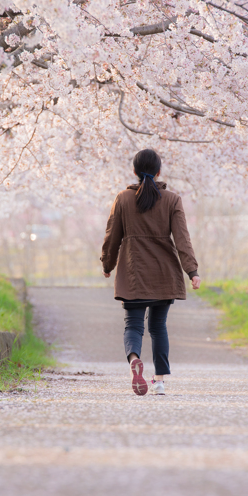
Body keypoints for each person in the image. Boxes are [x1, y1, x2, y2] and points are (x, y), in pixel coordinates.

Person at [101, 149, 201, 396]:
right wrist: (192, 271)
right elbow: (182, 239)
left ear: (134, 171)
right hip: (164, 274)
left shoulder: (123, 198)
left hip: (133, 273)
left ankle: (134, 360)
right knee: (158, 327)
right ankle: (159, 381)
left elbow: (112, 236)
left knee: (133, 325)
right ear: (159, 172)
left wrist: (107, 264)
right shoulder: (172, 200)